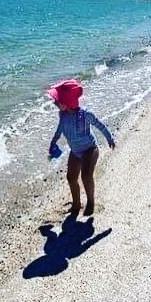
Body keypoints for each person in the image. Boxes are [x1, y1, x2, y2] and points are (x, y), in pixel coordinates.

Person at [47, 79, 116, 216]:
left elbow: (100, 125)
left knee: (86, 175)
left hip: (90, 149)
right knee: (71, 177)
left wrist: (110, 138)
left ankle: (91, 201)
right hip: (75, 151)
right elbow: (59, 130)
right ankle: (76, 203)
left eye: (57, 101)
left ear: (67, 102)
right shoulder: (63, 115)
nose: (54, 103)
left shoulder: (85, 114)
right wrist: (53, 143)